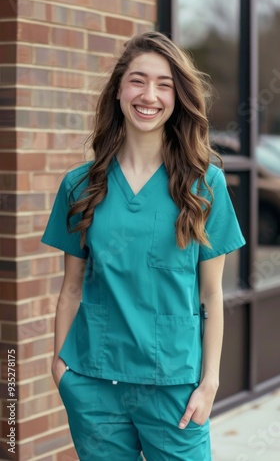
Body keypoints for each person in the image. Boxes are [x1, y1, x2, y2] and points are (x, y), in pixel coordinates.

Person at [42, 31, 245, 461]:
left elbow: (212, 295)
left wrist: (209, 383)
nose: (148, 95)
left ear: (177, 97)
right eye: (137, 80)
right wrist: (61, 370)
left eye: (164, 84)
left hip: (175, 388)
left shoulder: (204, 185)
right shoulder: (80, 185)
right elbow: (72, 287)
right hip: (94, 384)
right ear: (119, 90)